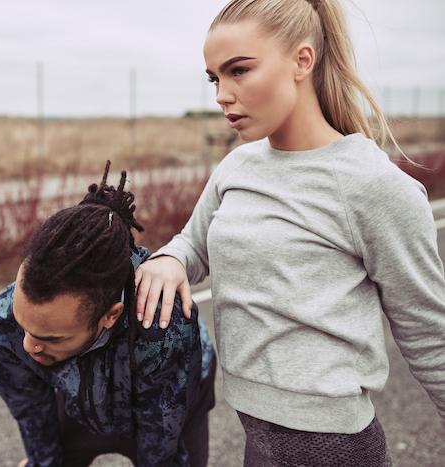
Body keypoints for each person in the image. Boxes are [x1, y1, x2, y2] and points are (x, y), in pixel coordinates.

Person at [134, 0, 445, 465]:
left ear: (302, 61)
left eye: (239, 70)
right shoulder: (238, 166)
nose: (221, 95)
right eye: (214, 78)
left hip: (335, 447)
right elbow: (193, 242)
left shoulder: (373, 186)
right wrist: (169, 259)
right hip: (256, 434)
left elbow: (429, 334)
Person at [0, 161, 216, 467]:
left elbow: (161, 450)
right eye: (25, 326)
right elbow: (30, 411)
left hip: (167, 393)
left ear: (110, 315)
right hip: (79, 395)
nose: (28, 346)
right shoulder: (1, 322)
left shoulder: (164, 330)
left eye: (51, 338)